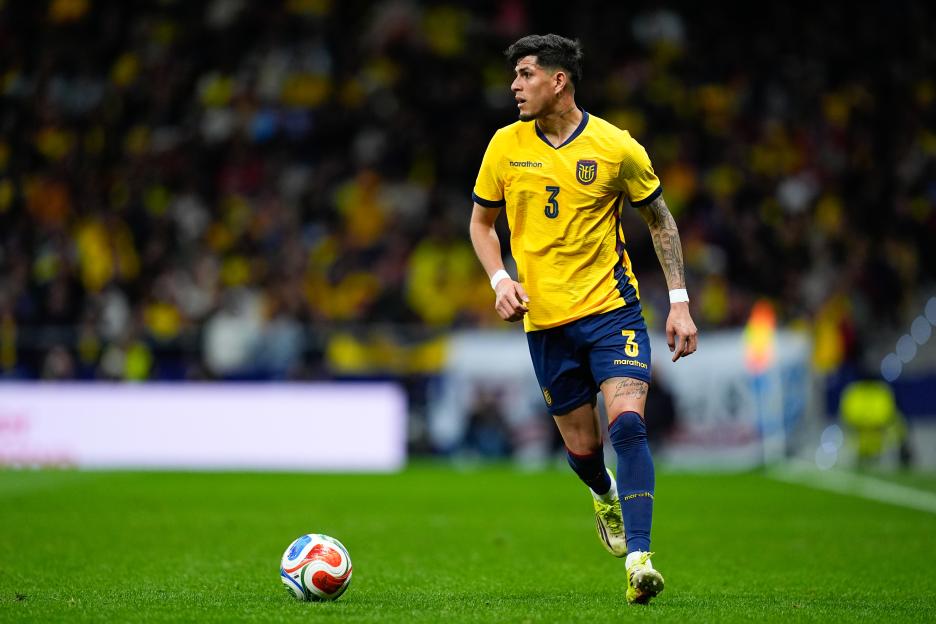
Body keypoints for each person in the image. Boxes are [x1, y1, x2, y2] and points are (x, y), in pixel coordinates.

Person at [469, 34, 698, 605]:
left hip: (610, 312)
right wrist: (501, 280)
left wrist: (679, 301)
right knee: (584, 449)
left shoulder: (616, 147)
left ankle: (640, 559)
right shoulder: (504, 146)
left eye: (524, 75)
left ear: (558, 80)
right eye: (514, 77)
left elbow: (661, 221)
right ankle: (603, 494)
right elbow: (480, 225)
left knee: (628, 426)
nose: (515, 87)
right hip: (544, 322)